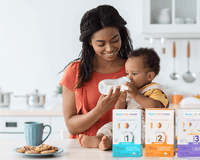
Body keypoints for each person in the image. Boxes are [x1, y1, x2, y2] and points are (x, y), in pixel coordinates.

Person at [59, 5, 133, 139]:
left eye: (115, 40)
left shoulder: (133, 69)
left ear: (121, 35)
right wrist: (100, 109)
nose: (109, 48)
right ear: (89, 42)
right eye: (101, 44)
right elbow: (72, 127)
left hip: (124, 147)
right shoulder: (75, 72)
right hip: (84, 152)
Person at [78, 48, 169, 150]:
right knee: (110, 125)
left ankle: (112, 143)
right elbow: (118, 113)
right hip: (126, 124)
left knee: (141, 134)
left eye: (134, 74)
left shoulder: (155, 90)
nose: (129, 78)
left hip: (144, 127)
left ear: (149, 76)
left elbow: (155, 107)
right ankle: (99, 138)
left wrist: (136, 95)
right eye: (127, 73)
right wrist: (121, 101)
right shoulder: (130, 90)